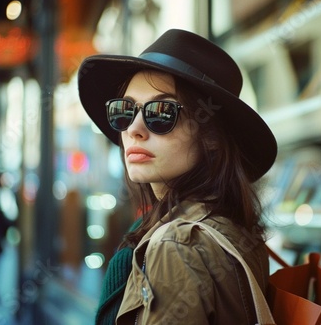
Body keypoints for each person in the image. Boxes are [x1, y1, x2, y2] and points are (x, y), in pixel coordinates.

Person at [78, 29, 277, 324]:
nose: (134, 129)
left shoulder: (175, 245)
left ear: (210, 136)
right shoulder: (234, 228)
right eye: (125, 110)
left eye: (161, 112)